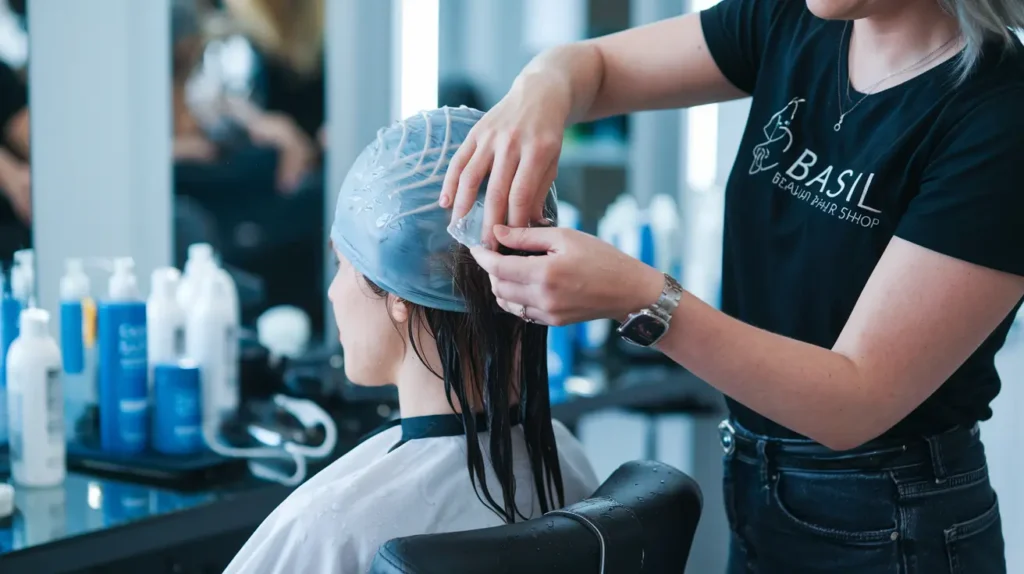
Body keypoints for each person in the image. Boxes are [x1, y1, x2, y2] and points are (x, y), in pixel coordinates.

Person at [439, 1, 1024, 572]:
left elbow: (855, 400)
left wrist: (639, 297)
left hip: (895, 518)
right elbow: (596, 67)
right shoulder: (790, 18)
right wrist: (543, 87)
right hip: (755, 483)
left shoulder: (1000, 118)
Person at [224, 106, 598, 574]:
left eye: (344, 265)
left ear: (401, 293)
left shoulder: (331, 527)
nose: (332, 293)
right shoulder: (565, 460)